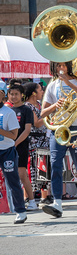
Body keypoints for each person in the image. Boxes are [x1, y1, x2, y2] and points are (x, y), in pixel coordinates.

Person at [41, 60, 77, 217]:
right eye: (58, 66)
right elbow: (43, 113)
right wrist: (56, 105)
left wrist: (69, 84)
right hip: (59, 129)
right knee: (55, 164)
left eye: (63, 65)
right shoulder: (53, 84)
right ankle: (57, 201)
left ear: (69, 66)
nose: (60, 68)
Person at [0, 81, 28, 224]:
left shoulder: (8, 112)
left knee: (13, 181)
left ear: (2, 95)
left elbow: (13, 135)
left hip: (7, 151)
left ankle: (21, 211)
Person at [8, 83, 36, 210]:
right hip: (6, 147)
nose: (13, 97)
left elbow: (27, 130)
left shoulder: (26, 110)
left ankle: (32, 201)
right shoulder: (6, 110)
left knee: (22, 174)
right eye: (11, 94)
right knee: (8, 175)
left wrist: (16, 143)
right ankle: (13, 202)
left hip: (21, 146)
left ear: (22, 95)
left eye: (16, 94)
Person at [23, 82, 49, 201]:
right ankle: (28, 196)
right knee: (32, 169)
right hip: (33, 141)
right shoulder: (28, 106)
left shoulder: (39, 105)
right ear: (34, 93)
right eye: (40, 90)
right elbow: (37, 123)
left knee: (44, 168)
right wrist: (49, 112)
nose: (42, 92)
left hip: (43, 140)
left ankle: (45, 196)